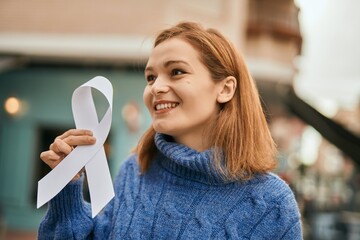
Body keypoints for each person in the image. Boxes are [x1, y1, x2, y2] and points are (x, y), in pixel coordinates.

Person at [38, 22, 302, 239]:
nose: (156, 87)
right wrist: (67, 184)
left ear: (225, 89)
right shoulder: (134, 171)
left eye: (176, 72)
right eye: (151, 77)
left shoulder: (271, 204)